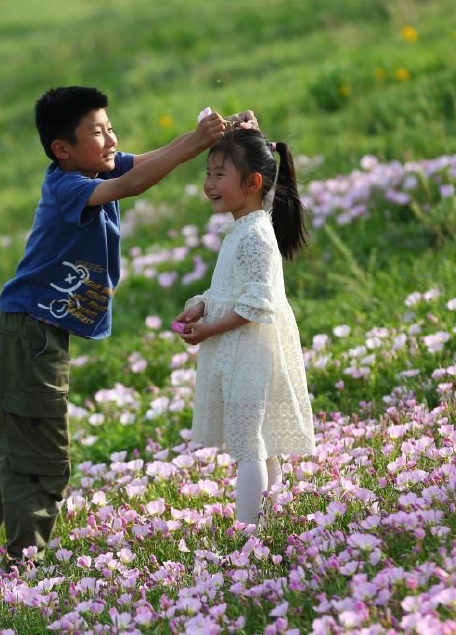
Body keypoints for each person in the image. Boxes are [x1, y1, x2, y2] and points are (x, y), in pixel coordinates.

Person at [0, 85, 255, 570]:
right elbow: (131, 186)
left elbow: (141, 167)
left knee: (11, 440)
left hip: (27, 328)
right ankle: (24, 562)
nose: (111, 137)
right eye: (98, 132)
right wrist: (197, 142)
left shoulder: (95, 166)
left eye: (110, 126)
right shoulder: (68, 185)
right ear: (63, 150)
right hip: (28, 332)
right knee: (40, 452)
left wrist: (210, 135)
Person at [173, 128, 316, 525]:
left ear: (252, 183)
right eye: (208, 173)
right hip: (244, 354)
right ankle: (270, 518)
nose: (209, 184)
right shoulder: (244, 228)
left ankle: (249, 533)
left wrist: (209, 329)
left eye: (220, 175)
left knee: (249, 445)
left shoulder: (254, 235)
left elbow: (256, 305)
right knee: (259, 440)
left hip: (252, 355)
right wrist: (203, 304)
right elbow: (236, 288)